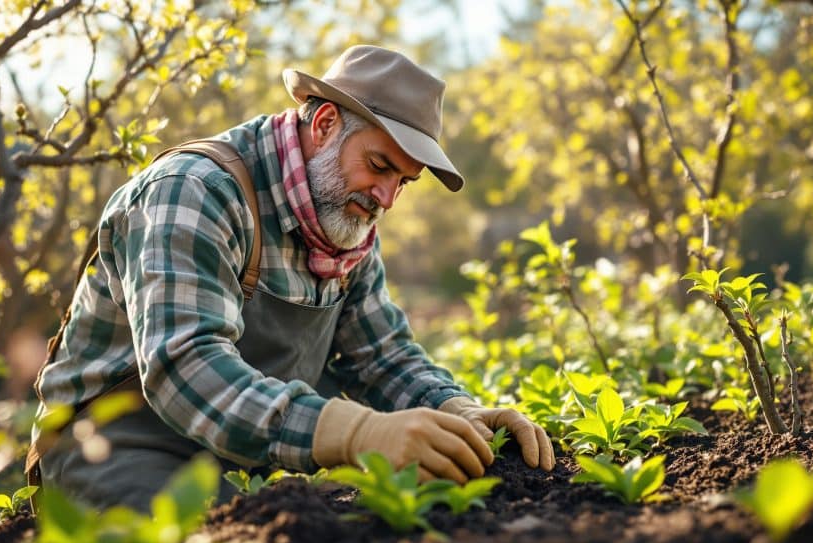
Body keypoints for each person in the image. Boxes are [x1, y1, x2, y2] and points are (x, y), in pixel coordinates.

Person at [29, 45, 554, 512]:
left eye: (404, 181)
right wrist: (357, 432)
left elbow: (382, 355)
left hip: (238, 464)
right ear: (324, 124)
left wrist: (459, 411)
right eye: (379, 165)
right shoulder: (193, 192)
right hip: (115, 451)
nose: (387, 198)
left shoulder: (345, 224)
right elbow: (185, 369)